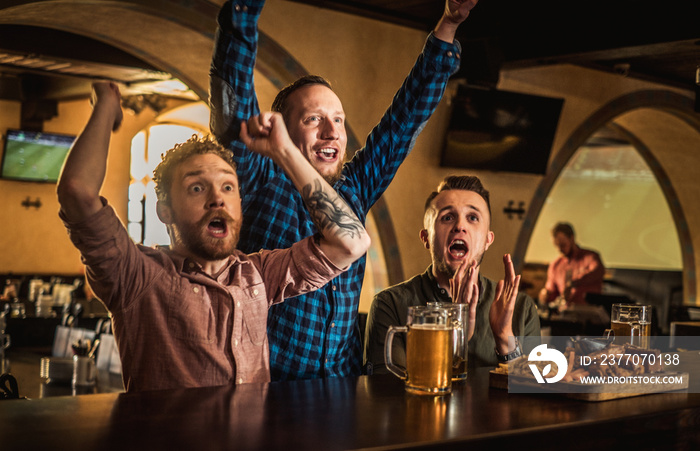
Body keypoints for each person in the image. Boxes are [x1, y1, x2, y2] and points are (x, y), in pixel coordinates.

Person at [209, 0, 480, 381]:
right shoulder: (256, 177)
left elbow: (404, 121)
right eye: (313, 119)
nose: (332, 131)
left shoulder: (353, 188)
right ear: (279, 130)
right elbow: (232, 97)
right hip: (270, 393)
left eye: (338, 119)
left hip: (342, 392)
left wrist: (448, 25)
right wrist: (244, 9)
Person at [56, 82, 370, 392]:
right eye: (197, 187)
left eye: (228, 187)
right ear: (165, 211)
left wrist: (285, 150)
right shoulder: (137, 276)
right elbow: (77, 192)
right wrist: (107, 106)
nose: (217, 198)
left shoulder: (257, 275)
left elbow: (351, 242)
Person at [364, 175, 541, 373]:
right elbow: (388, 395)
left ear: (488, 240)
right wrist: (456, 337)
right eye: (447, 217)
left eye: (472, 218)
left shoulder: (522, 308)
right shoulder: (390, 304)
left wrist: (504, 339)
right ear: (426, 238)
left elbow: (531, 397)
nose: (460, 226)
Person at [538, 222, 605, 309]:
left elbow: (597, 272)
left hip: (588, 312)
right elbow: (551, 291)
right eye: (556, 246)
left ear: (572, 238)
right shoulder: (555, 265)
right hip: (565, 313)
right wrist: (545, 295)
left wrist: (573, 283)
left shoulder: (590, 257)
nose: (559, 249)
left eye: (563, 245)